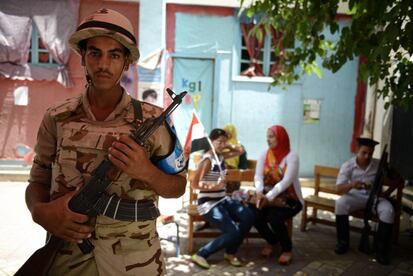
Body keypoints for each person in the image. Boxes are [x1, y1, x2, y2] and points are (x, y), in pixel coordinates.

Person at [24, 8, 186, 276]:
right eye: (95, 53)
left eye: (114, 55)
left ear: (126, 62)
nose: (103, 64)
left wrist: (145, 171)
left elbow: (178, 186)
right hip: (68, 259)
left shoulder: (153, 120)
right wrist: (40, 212)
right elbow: (38, 179)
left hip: (137, 262)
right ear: (83, 58)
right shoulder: (57, 117)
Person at [190, 128, 254, 269]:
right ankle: (201, 254)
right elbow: (195, 184)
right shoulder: (207, 160)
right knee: (233, 231)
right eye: (219, 141)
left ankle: (230, 252)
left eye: (224, 142)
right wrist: (215, 186)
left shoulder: (221, 157)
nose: (222, 145)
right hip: (208, 204)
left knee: (248, 216)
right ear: (211, 142)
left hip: (222, 200)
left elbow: (240, 151)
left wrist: (227, 143)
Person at [335, 137, 394, 265]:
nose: (367, 156)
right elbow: (339, 189)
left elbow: (397, 179)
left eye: (370, 153)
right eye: (364, 153)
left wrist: (386, 193)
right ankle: (342, 242)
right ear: (357, 150)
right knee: (340, 204)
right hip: (355, 196)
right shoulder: (348, 165)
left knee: (388, 210)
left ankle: (381, 250)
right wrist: (351, 185)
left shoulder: (378, 164)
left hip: (375, 197)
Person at [252, 125, 303, 265]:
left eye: (272, 136)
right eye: (267, 136)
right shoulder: (264, 154)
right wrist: (259, 192)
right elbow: (258, 176)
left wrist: (267, 197)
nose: (268, 139)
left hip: (290, 200)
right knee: (255, 216)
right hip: (269, 198)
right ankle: (272, 241)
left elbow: (286, 181)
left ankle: (287, 249)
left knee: (274, 218)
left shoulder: (292, 157)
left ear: (281, 138)